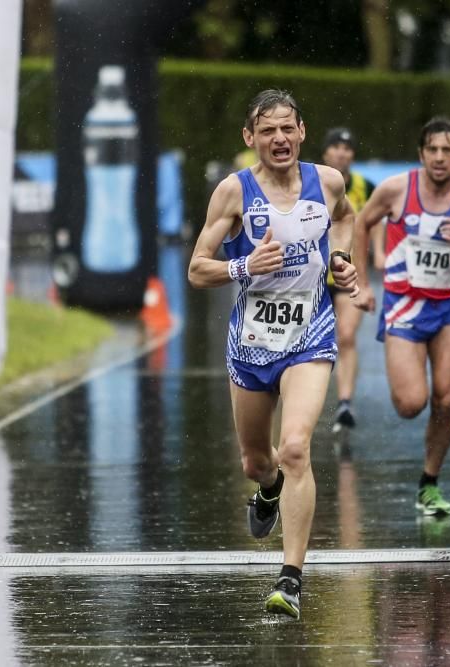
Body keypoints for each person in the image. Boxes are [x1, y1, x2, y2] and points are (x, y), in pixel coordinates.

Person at [187, 89, 359, 620]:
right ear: (250, 138)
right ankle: (266, 492)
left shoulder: (326, 182)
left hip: (310, 334)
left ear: (302, 131)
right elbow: (197, 268)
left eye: (287, 129)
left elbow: (348, 217)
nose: (279, 139)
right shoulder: (232, 193)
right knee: (258, 462)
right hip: (253, 343)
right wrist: (244, 268)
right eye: (267, 131)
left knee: (296, 448)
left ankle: (291, 578)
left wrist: (341, 261)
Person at [353, 116, 450, 517]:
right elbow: (362, 224)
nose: (439, 157)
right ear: (421, 154)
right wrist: (363, 284)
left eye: (448, 150)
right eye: (432, 149)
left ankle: (429, 483)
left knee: (446, 399)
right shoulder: (397, 189)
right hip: (404, 304)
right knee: (412, 403)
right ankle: (409, 385)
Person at [319, 127, 383, 431]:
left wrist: (379, 255)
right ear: (325, 153)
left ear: (352, 155)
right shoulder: (311, 184)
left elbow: (375, 221)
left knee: (345, 336)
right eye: (335, 147)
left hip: (349, 273)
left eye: (347, 148)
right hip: (314, 277)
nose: (341, 153)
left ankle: (345, 403)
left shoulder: (364, 187)